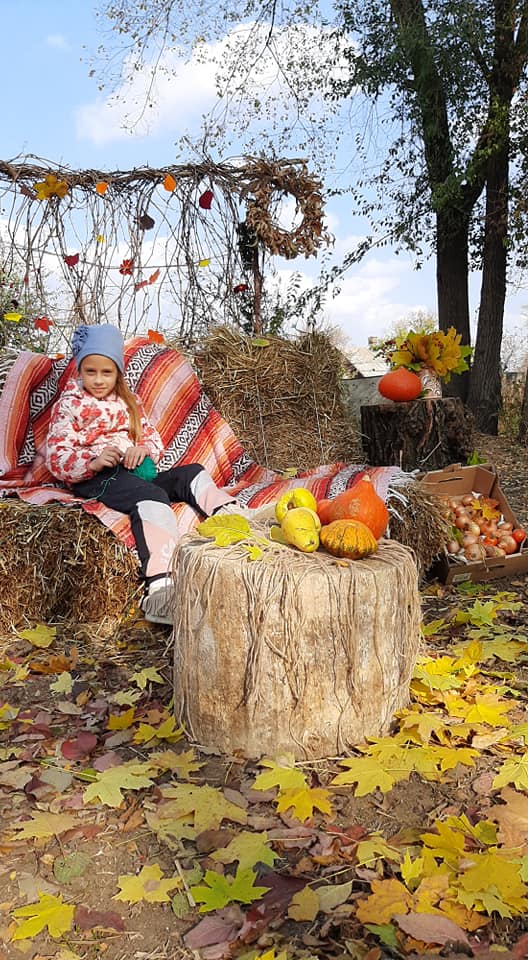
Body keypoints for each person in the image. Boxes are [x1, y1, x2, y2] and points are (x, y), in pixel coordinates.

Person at [45, 323, 263, 625]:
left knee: (190, 473)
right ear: (80, 370)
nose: (97, 380)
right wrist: (92, 461)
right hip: (98, 477)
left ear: (118, 372)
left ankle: (234, 517)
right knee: (153, 496)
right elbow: (56, 456)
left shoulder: (128, 402)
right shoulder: (70, 404)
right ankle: (160, 587)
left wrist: (142, 449)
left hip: (133, 471)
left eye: (106, 372)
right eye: (90, 371)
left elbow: (152, 438)